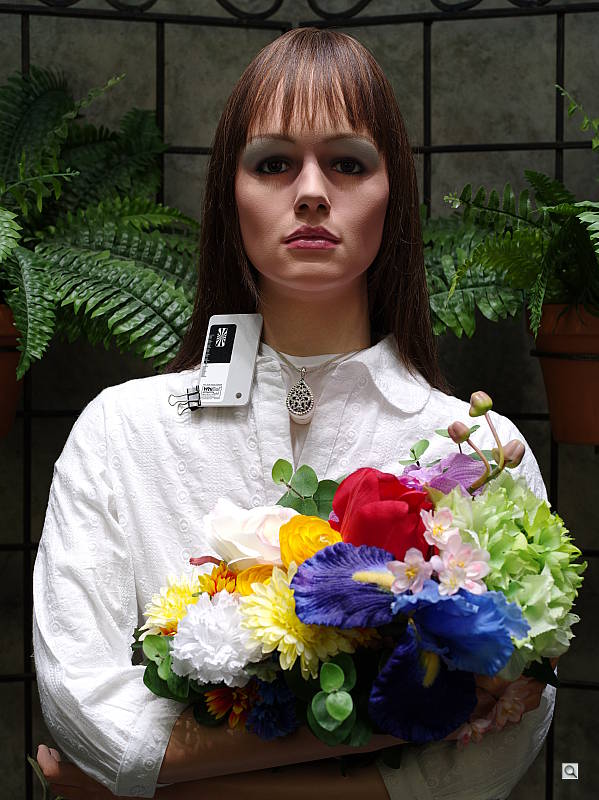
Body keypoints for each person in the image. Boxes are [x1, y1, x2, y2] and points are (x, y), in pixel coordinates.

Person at [34, 27, 557, 800]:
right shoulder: (121, 433)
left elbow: (494, 753)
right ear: (229, 194)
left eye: (347, 163)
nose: (311, 191)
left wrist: (153, 789)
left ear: (393, 193)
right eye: (273, 163)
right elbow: (82, 706)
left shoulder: (479, 453)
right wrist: (416, 717)